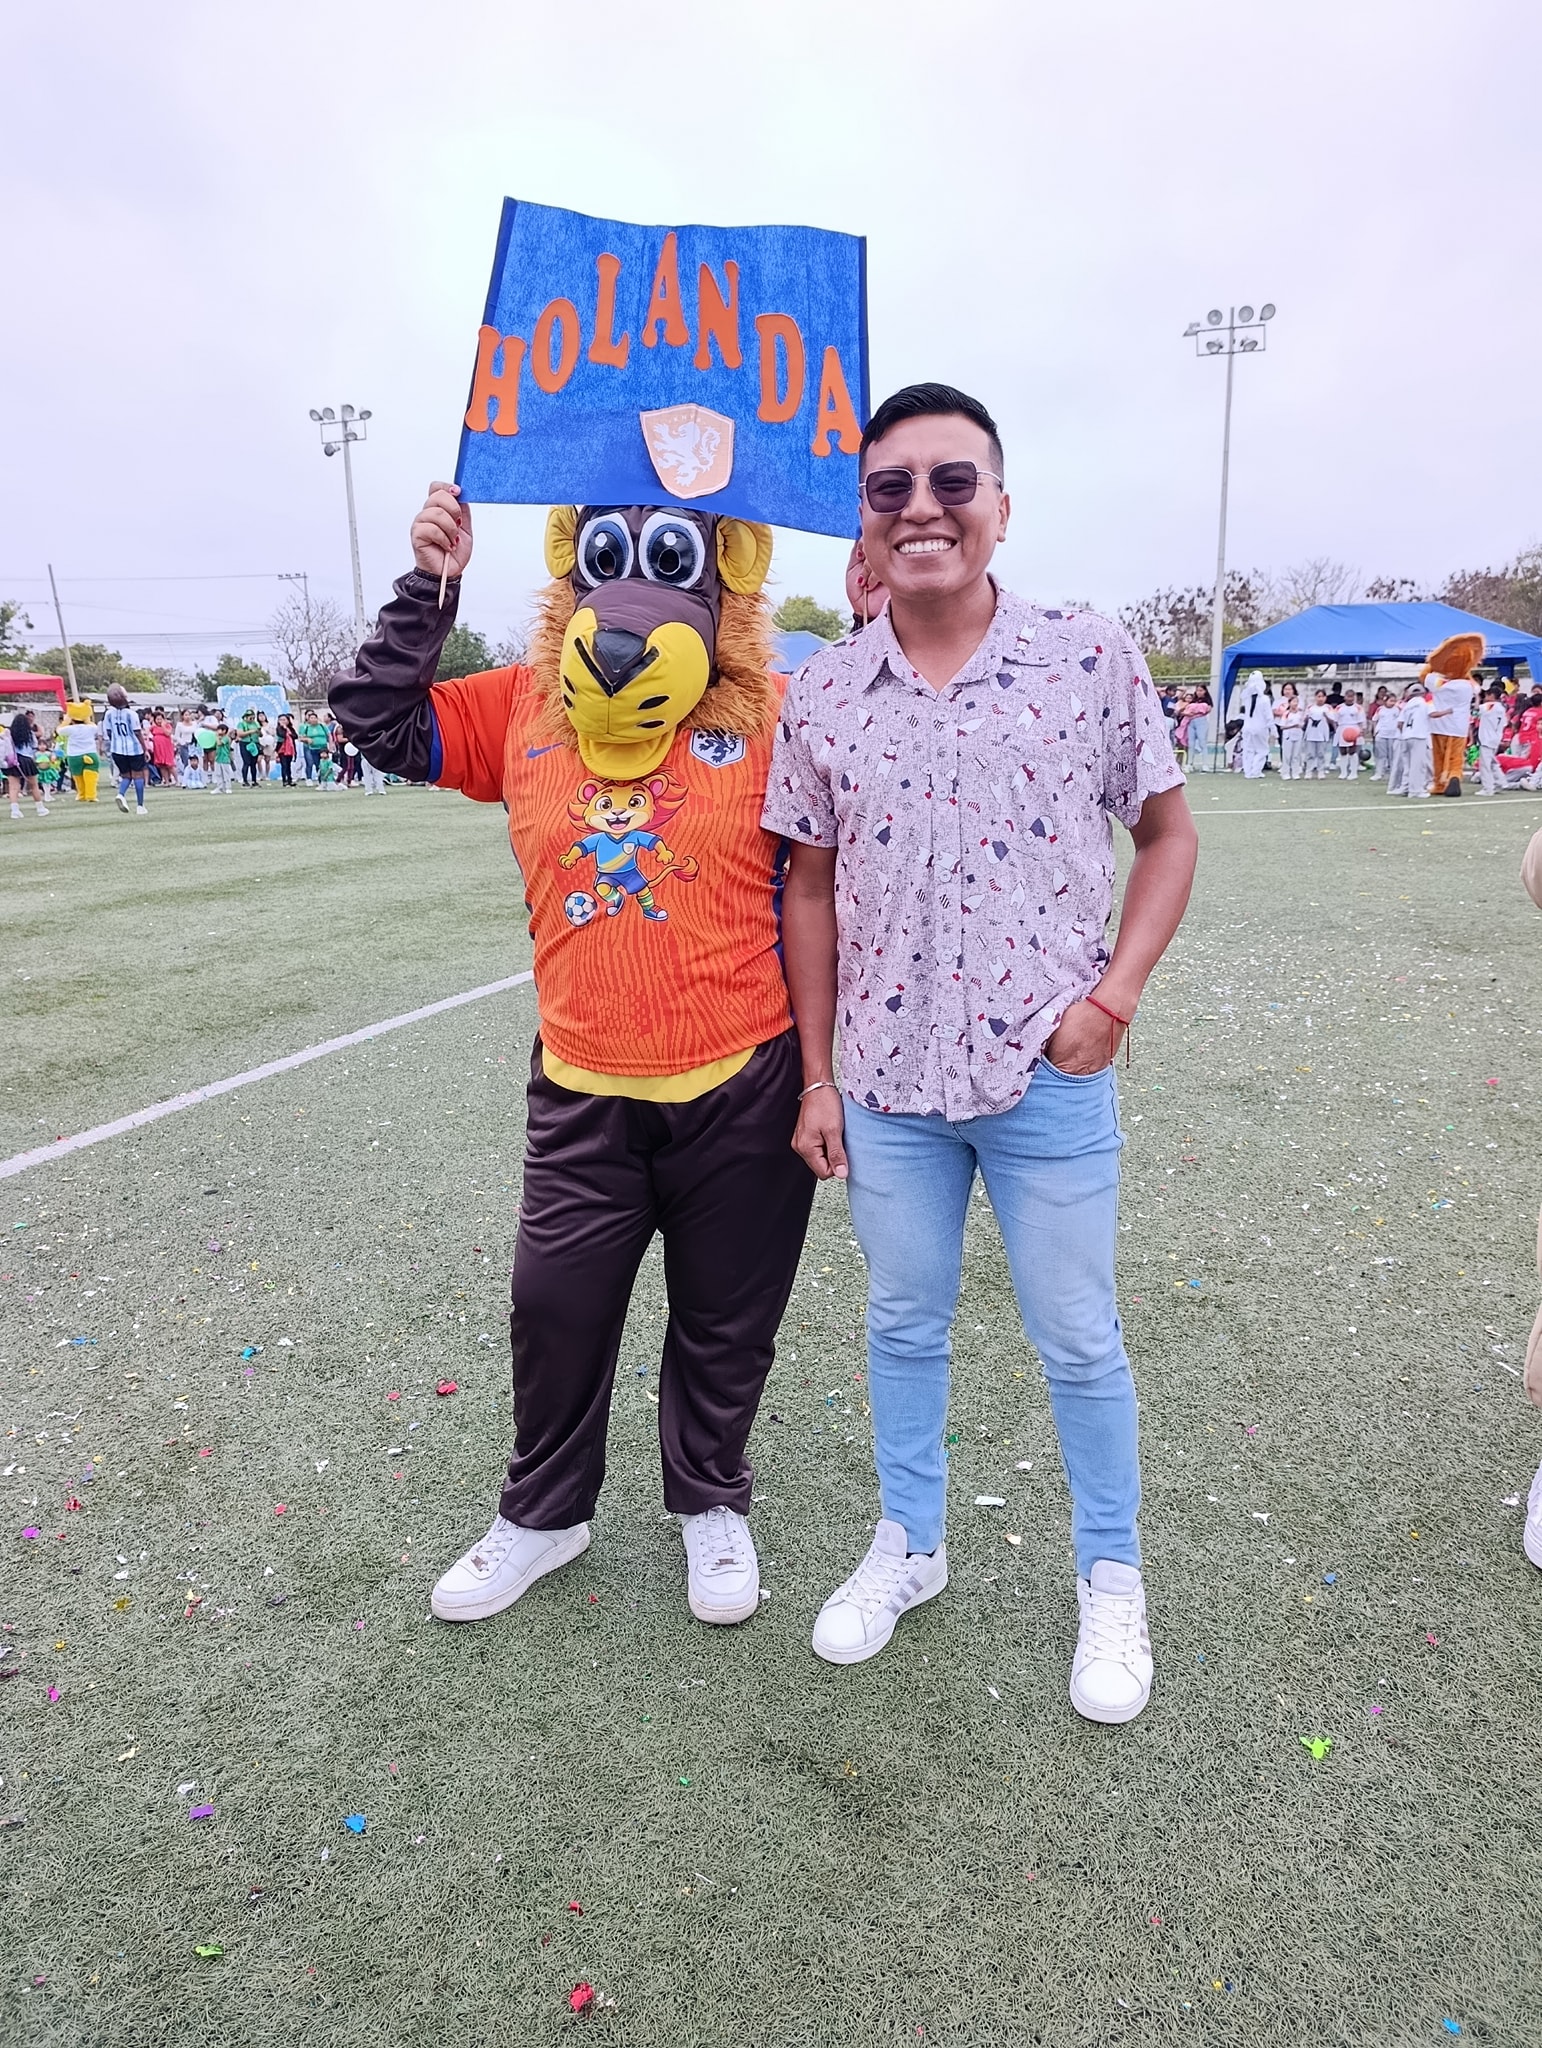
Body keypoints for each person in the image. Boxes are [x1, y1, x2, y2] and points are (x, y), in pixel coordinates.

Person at [767, 382, 1197, 1722]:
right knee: (903, 1324)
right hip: (888, 1087)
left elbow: (1167, 834)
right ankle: (911, 1542)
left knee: (1077, 1337)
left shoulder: (1087, 656)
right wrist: (818, 1074)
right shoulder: (824, 692)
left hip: (1045, 1075)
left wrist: (1113, 999)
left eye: (951, 481)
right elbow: (807, 887)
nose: (922, 508)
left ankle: (1111, 1576)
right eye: (889, 488)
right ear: (863, 520)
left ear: (1000, 507)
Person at [331, 479, 818, 1633]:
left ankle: (711, 1497)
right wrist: (429, 585)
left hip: (743, 1080)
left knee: (725, 1317)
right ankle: (546, 1513)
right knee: (553, 1305)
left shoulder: (779, 712)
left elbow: (846, 858)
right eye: (606, 557)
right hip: (583, 1084)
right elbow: (379, 720)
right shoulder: (526, 705)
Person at [1423, 633, 1481, 797]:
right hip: (1459, 726)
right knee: (1456, 757)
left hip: (1439, 724)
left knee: (1439, 756)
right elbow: (1477, 688)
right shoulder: (1468, 685)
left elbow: (1425, 675)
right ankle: (1454, 776)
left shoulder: (1438, 682)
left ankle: (1440, 784)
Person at [102, 686, 149, 815]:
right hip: (134, 749)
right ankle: (140, 806)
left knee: (126, 775)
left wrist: (115, 742)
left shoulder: (109, 714)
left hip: (117, 750)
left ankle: (121, 794)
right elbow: (137, 733)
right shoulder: (131, 714)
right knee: (138, 775)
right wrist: (145, 749)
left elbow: (109, 732)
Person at [7, 707, 49, 820]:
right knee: (34, 785)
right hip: (27, 760)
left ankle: (15, 811)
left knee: (14, 787)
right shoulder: (30, 734)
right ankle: (40, 808)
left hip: (13, 760)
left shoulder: (9, 734)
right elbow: (34, 746)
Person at [1400, 680, 1433, 799]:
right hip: (1419, 736)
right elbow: (1433, 714)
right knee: (1418, 765)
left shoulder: (1407, 705)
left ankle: (1405, 787)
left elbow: (1400, 723)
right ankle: (1416, 790)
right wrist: (1448, 711)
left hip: (1406, 736)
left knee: (1408, 765)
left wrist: (1405, 732)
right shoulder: (1424, 703)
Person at [1239, 671, 1275, 779]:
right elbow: (1269, 716)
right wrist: (1273, 729)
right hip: (1261, 727)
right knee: (1262, 750)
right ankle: (1256, 770)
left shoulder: (1247, 697)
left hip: (1247, 727)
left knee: (1248, 750)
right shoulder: (1264, 699)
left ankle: (1248, 771)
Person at [1476, 688, 1507, 795]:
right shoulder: (1501, 708)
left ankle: (1488, 788)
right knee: (1493, 763)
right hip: (1495, 738)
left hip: (1487, 739)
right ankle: (1500, 783)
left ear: (1492, 695)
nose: (1485, 698)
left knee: (1485, 764)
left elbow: (1476, 708)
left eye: (1487, 695)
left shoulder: (1490, 706)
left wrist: (1477, 697)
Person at [1302, 691, 1333, 779]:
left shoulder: (1328, 708)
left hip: (1322, 735)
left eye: (1322, 696)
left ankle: (1321, 771)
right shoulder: (1310, 708)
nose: (1320, 699)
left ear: (1325, 698)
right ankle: (1309, 771)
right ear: (1315, 697)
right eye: (1318, 696)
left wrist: (1326, 716)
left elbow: (1332, 720)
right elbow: (1304, 720)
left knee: (1321, 754)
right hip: (1311, 734)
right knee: (1310, 754)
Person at [1278, 687, 1307, 779]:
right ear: (1289, 703)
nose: (1295, 704)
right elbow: (1282, 726)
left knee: (1296, 755)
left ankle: (1295, 772)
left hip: (1298, 735)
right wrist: (1293, 726)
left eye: (1297, 702)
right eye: (1294, 701)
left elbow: (1302, 724)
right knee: (1287, 755)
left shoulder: (1300, 713)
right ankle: (1285, 773)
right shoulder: (1286, 714)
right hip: (1288, 735)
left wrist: (1300, 726)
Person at [1371, 692, 1400, 783]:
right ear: (1385, 701)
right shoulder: (1380, 709)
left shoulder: (1397, 710)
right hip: (1382, 734)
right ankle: (1379, 773)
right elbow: (1374, 720)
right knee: (1380, 755)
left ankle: (1393, 774)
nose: (1392, 703)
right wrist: (1375, 731)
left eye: (1394, 701)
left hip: (1393, 735)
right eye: (1391, 701)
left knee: (1392, 755)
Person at [1185, 685, 1214, 771]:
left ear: (1205, 691)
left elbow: (1207, 710)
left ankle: (1205, 764)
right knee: (1191, 744)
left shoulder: (1207, 701)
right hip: (1191, 721)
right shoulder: (1194, 700)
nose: (1199, 692)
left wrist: (1196, 710)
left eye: (1201, 690)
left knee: (1202, 742)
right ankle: (1190, 763)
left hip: (1201, 721)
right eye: (1198, 690)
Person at [300, 711, 331, 782]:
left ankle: (327, 779)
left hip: (323, 748)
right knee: (317, 764)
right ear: (308, 719)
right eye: (311, 718)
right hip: (313, 748)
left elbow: (329, 735)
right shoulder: (306, 728)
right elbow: (301, 738)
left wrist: (331, 745)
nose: (313, 719)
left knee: (325, 763)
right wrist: (307, 739)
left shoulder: (322, 726)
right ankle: (320, 780)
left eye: (314, 718)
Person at [236, 709, 262, 786]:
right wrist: (251, 731)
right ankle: (245, 780)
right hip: (245, 743)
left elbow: (261, 735)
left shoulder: (256, 723)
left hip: (255, 743)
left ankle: (254, 780)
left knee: (254, 763)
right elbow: (240, 734)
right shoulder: (241, 724)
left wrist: (258, 731)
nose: (252, 719)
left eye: (253, 717)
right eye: (250, 717)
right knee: (246, 762)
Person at [275, 713, 299, 787]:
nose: (282, 721)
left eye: (284, 719)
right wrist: (285, 729)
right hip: (282, 749)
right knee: (284, 765)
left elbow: (295, 736)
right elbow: (282, 735)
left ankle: (289, 780)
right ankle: (284, 780)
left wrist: (288, 731)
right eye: (281, 720)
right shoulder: (279, 728)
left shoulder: (291, 728)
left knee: (288, 765)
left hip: (290, 749)